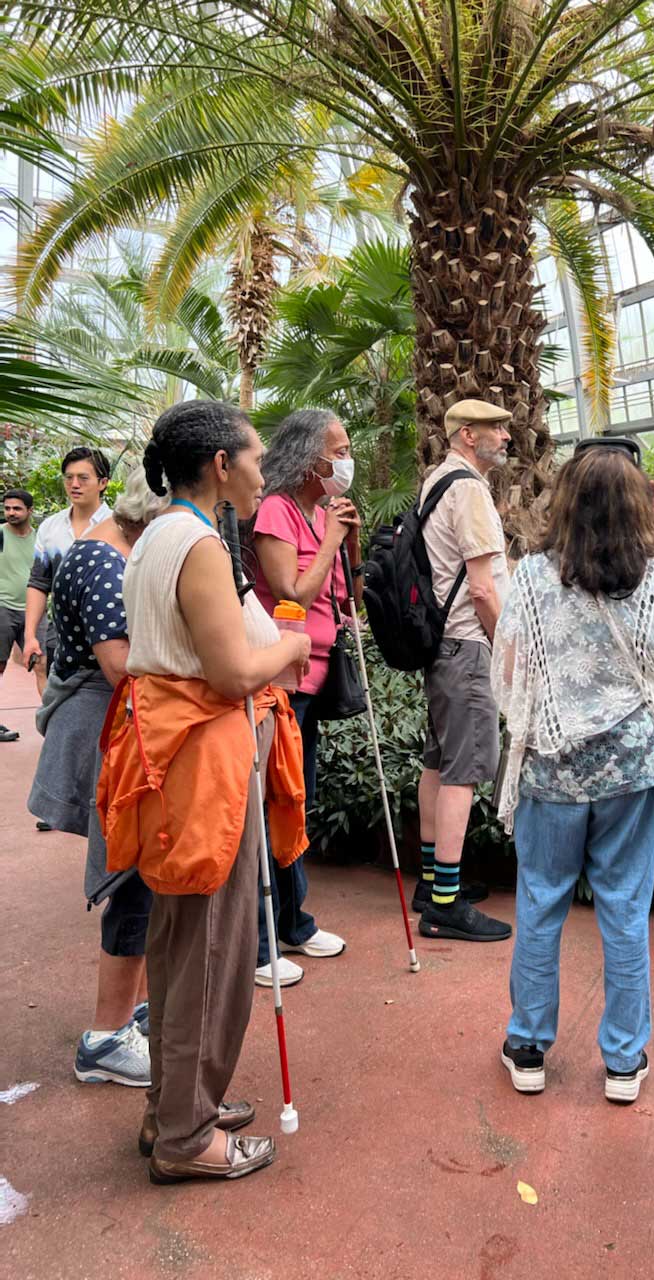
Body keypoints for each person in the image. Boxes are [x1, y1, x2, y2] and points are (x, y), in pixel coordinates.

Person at [98, 400, 311, 1184]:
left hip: (169, 753)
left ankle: (175, 1106)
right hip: (201, 761)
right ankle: (188, 1135)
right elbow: (230, 672)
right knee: (213, 945)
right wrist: (291, 644)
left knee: (183, 937)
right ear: (221, 464)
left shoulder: (158, 534)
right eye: (254, 457)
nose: (263, 470)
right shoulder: (196, 544)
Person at [491, 441, 654, 1100]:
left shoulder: (530, 576)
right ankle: (624, 1062)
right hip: (635, 767)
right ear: (636, 504)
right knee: (626, 910)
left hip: (553, 768)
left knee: (542, 901)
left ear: (565, 501)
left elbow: (510, 672)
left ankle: (528, 1047)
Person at [28, 468, 163, 1085]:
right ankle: (105, 1038)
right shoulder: (103, 561)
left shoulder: (111, 550)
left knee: (143, 873)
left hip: (114, 726)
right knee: (130, 874)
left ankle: (123, 1016)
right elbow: (121, 668)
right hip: (106, 730)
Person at [252, 408, 358, 987]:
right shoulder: (277, 510)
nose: (345, 459)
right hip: (283, 680)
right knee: (278, 800)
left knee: (299, 797)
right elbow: (291, 591)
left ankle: (294, 920)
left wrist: (349, 540)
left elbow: (345, 595)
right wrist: (331, 542)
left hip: (316, 676)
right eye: (337, 449)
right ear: (307, 456)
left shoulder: (321, 514)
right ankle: (264, 936)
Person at [416, 398, 514, 943]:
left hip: (440, 646)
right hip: (469, 646)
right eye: (496, 428)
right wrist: (506, 650)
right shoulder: (471, 489)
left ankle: (432, 884)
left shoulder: (436, 482)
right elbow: (481, 588)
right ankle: (445, 907)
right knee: (464, 772)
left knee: (438, 763)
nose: (506, 435)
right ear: (468, 435)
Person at [22, 446, 112, 685]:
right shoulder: (50, 528)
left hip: (110, 634)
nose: (74, 484)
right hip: (60, 635)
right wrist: (31, 635)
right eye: (69, 478)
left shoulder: (119, 527)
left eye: (83, 478)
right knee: (55, 699)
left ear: (103, 482)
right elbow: (39, 583)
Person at [0, 488, 42, 739]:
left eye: (16, 508)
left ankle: (51, 724)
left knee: (43, 664)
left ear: (30, 511)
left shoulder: (40, 539)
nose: (11, 513)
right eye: (7, 508)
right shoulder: (0, 534)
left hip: (33, 611)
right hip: (2, 609)